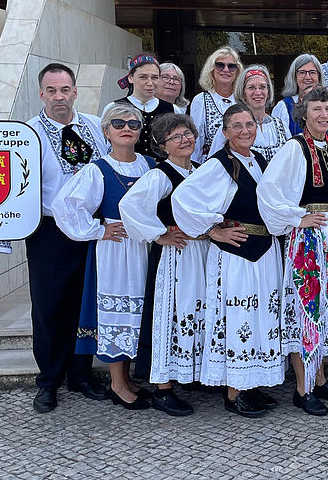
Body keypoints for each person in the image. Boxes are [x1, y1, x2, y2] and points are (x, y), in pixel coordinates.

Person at [258, 85, 328, 417]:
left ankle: (319, 378)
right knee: (309, 305)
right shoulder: (294, 147)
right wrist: (296, 217)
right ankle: (302, 389)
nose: (323, 115)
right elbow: (269, 189)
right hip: (310, 237)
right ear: (303, 114)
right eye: (316, 109)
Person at [173, 104, 285, 417]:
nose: (245, 130)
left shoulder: (259, 160)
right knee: (239, 318)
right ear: (225, 133)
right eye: (237, 125)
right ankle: (234, 392)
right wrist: (212, 231)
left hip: (264, 251)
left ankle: (251, 383)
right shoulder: (220, 163)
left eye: (249, 124)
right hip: (237, 255)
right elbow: (183, 198)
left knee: (261, 317)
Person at [52, 103, 156, 410]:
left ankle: (128, 377)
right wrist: (99, 230)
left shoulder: (150, 165)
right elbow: (65, 205)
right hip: (116, 251)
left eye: (133, 124)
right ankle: (117, 384)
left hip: (145, 248)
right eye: (119, 123)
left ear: (140, 131)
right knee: (118, 313)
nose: (127, 128)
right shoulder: (97, 169)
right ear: (106, 131)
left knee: (137, 312)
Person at [25, 62, 108, 413]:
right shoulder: (28, 135)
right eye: (52, 90)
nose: (59, 97)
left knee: (85, 303)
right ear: (41, 93)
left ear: (75, 91)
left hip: (91, 230)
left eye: (65, 90)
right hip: (50, 232)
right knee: (50, 307)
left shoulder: (92, 126)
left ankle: (81, 374)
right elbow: (16, 190)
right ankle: (48, 380)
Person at [118, 113, 204, 417]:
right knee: (169, 314)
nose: (185, 140)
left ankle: (188, 373)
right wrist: (159, 234)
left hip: (199, 253)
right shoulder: (160, 175)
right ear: (162, 145)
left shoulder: (198, 170)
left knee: (192, 311)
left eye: (188, 133)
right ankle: (163, 388)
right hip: (175, 256)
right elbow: (129, 205)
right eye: (176, 137)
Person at [209, 64, 289, 163]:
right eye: (251, 87)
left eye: (262, 87)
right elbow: (215, 163)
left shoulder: (281, 126)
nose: (258, 92)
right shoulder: (230, 126)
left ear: (268, 92)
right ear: (243, 93)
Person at [109, 53, 177, 159]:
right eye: (143, 77)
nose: (149, 83)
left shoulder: (172, 109)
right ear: (131, 78)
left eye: (154, 77)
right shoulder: (114, 108)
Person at [190, 46, 244, 162]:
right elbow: (196, 139)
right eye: (220, 65)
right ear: (211, 70)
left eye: (231, 66)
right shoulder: (201, 100)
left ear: (237, 71)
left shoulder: (243, 100)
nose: (226, 69)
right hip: (211, 164)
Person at [272, 53, 324, 136]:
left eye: (312, 72)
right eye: (302, 72)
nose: (307, 77)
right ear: (294, 76)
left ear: (319, 76)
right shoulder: (284, 106)